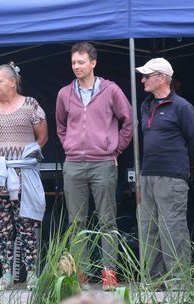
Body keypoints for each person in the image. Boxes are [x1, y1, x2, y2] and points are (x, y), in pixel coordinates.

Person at [56, 42, 133, 290]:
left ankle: (109, 273)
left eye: (81, 62)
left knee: (107, 221)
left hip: (103, 163)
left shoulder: (110, 90)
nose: (76, 67)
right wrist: (69, 144)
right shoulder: (64, 93)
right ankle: (81, 273)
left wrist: (115, 148)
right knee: (76, 221)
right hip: (74, 164)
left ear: (93, 63)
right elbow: (60, 126)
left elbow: (128, 122)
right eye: (73, 63)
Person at [0, 62, 48, 291]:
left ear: (12, 81)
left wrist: (24, 156)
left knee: (26, 225)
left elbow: (42, 137)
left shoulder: (30, 105)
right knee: (3, 227)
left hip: (23, 177)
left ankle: (31, 275)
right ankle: (7, 275)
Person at [135, 58, 194, 284]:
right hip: (148, 174)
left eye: (147, 75)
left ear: (162, 77)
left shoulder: (182, 106)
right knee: (149, 228)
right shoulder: (146, 105)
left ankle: (178, 282)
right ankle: (154, 280)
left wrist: (183, 169)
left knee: (172, 228)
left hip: (172, 176)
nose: (142, 79)